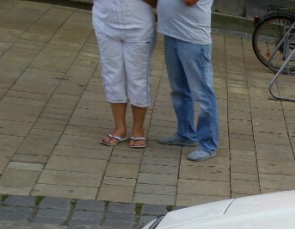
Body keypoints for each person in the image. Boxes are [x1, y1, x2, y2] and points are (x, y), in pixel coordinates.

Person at [157, 0, 219, 162]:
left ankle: (208, 145)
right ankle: (185, 134)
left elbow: (189, 1)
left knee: (203, 95)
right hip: (172, 33)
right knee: (179, 90)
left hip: (193, 40)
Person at [93, 0, 157, 149]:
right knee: (112, 75)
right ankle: (119, 128)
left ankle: (138, 129)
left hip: (139, 25)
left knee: (138, 77)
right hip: (105, 21)